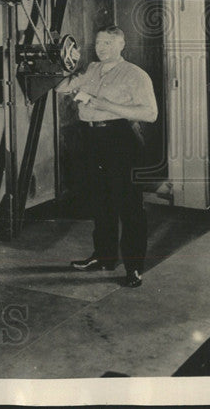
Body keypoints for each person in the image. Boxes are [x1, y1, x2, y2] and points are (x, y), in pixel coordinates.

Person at [54, 25, 158, 288]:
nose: (101, 48)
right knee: (100, 202)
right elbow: (60, 88)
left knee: (129, 206)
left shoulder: (135, 74)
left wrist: (106, 105)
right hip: (90, 139)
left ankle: (134, 268)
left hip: (119, 139)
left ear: (121, 45)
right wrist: (67, 62)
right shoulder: (91, 69)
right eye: (99, 43)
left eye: (108, 43)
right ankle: (104, 257)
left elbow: (150, 113)